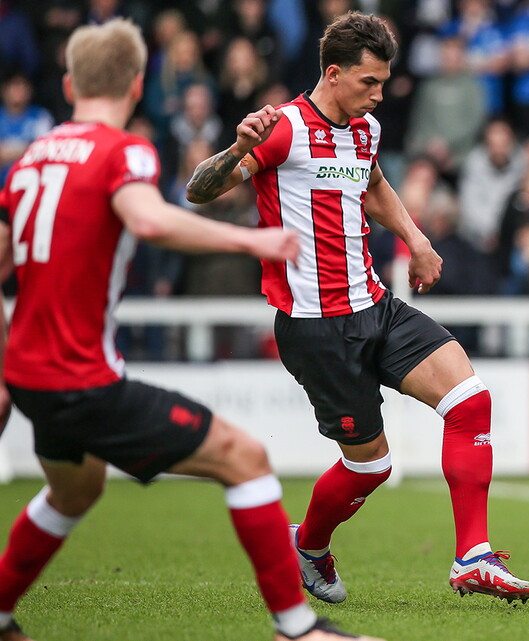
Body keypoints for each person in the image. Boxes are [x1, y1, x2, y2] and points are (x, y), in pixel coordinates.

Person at [0, 19, 378, 641]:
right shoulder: (125, 150)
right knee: (247, 460)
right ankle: (299, 629)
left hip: (30, 376)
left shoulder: (31, 159)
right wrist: (250, 237)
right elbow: (150, 221)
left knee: (73, 493)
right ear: (138, 83)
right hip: (81, 378)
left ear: (68, 84)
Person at [184, 12, 529, 604]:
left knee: (471, 402)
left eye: (383, 83)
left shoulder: (364, 129)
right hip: (314, 328)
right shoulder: (285, 129)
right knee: (371, 468)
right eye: (369, 83)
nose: (378, 95)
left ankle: (473, 559)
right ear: (333, 72)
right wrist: (236, 148)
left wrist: (416, 240)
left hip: (376, 304)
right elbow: (199, 190)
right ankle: (308, 546)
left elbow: (372, 186)